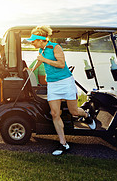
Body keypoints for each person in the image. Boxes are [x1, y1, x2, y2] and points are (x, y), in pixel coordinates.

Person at [27, 26, 96, 156]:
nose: (32, 43)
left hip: (65, 82)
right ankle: (63, 143)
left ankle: (87, 115)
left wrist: (44, 60)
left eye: (33, 40)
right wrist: (32, 69)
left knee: (74, 112)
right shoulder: (42, 50)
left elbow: (61, 64)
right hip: (52, 84)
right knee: (54, 113)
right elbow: (40, 62)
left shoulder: (55, 47)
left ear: (40, 39)